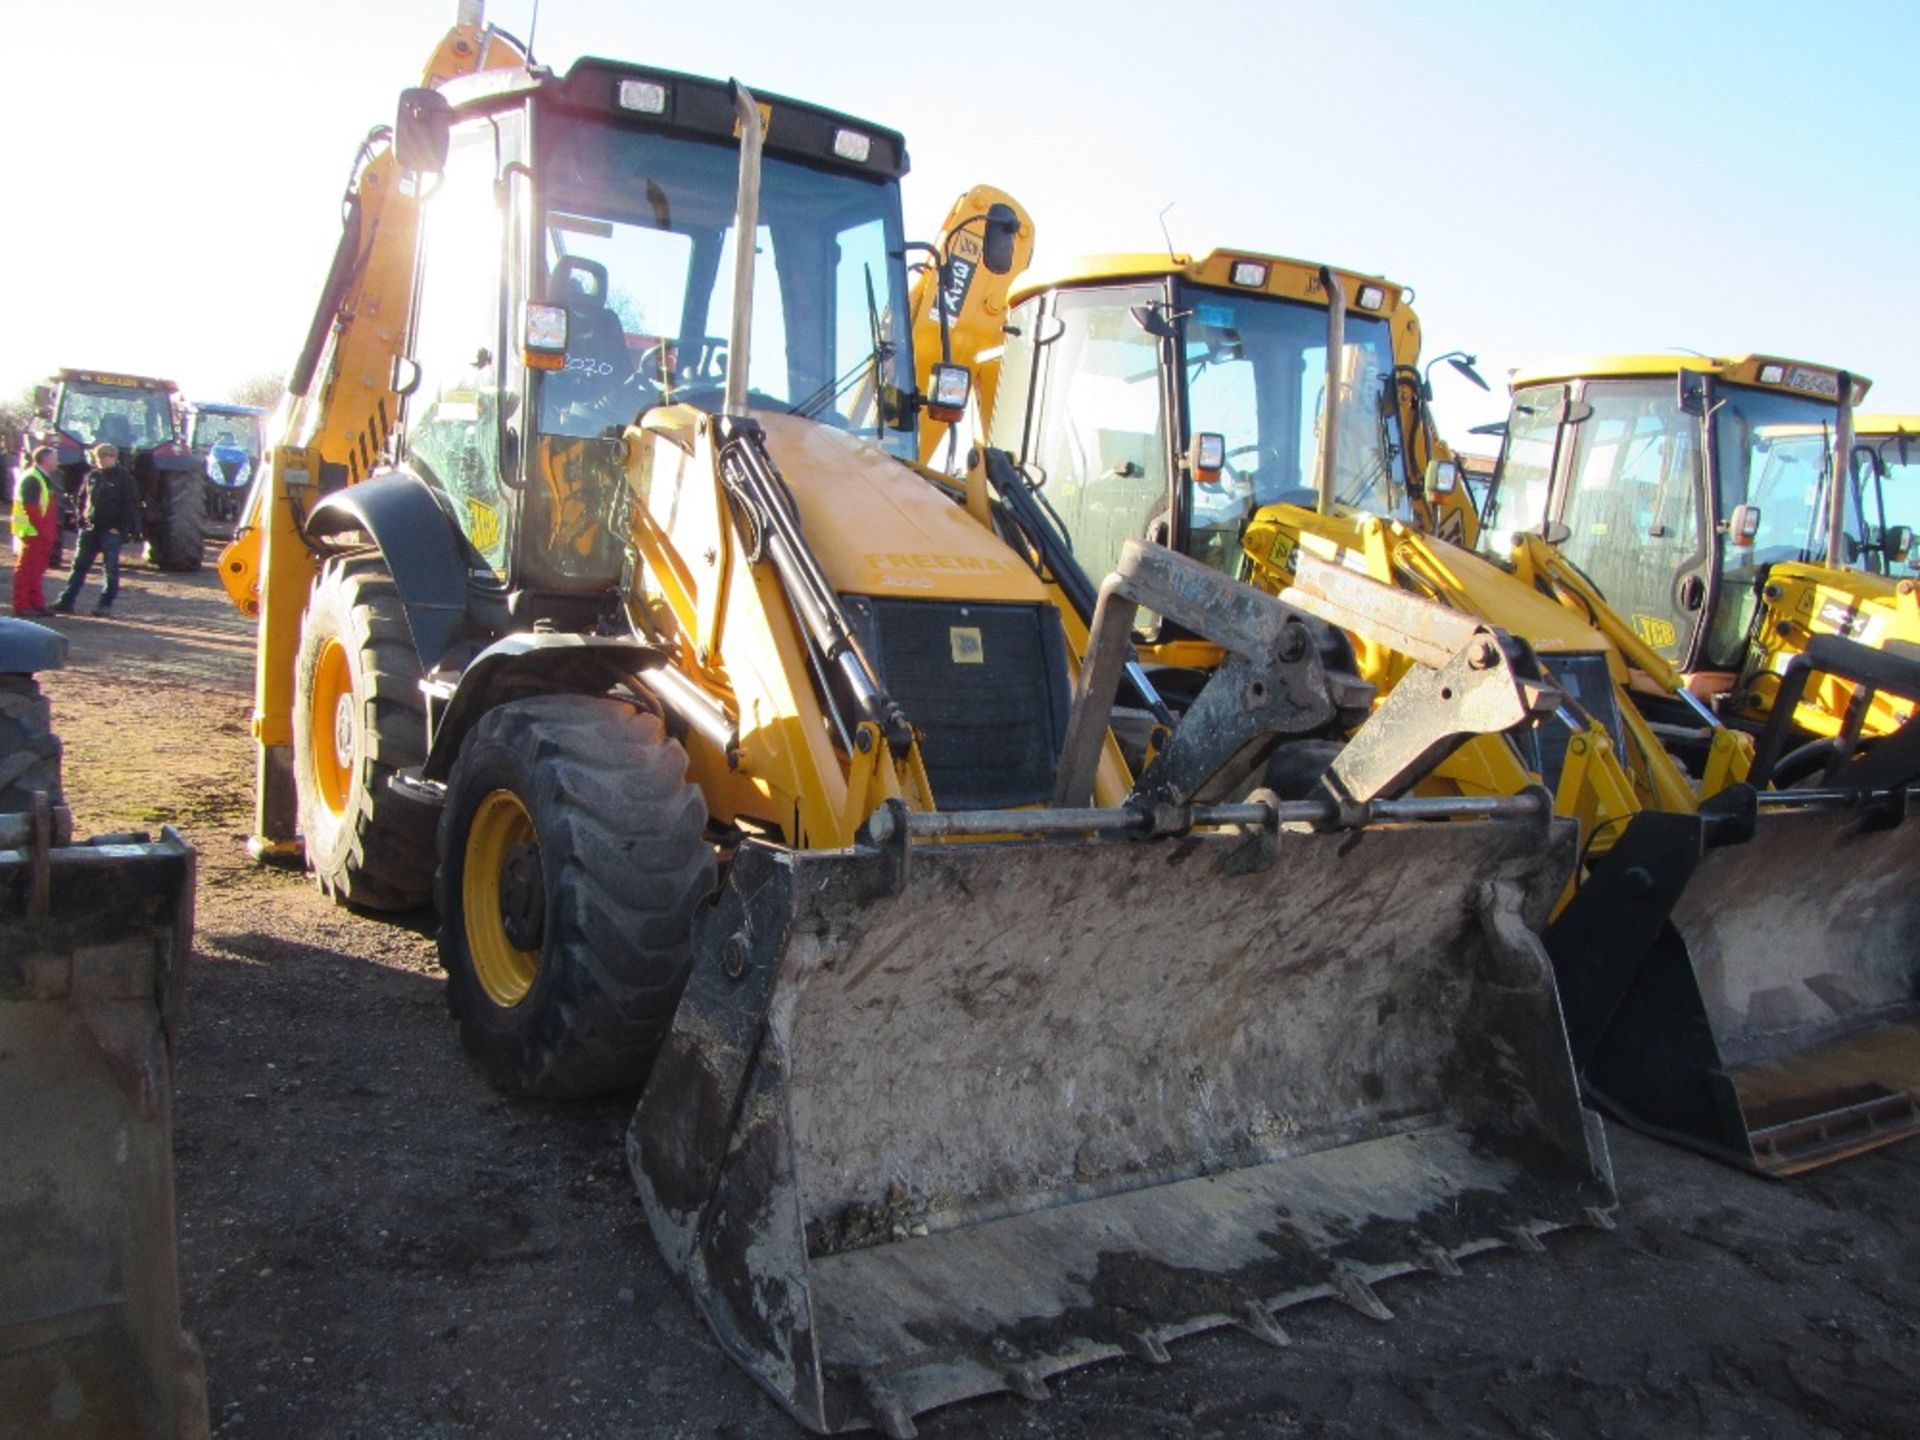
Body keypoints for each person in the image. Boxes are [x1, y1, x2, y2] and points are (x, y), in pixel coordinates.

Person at [51, 443, 141, 617]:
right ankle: (66, 601)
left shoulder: (125, 479)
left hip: (111, 532)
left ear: (113, 457)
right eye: (96, 458)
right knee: (79, 566)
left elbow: (130, 505)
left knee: (110, 569)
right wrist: (81, 521)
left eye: (102, 458)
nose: (98, 461)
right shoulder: (92, 476)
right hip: (90, 529)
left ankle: (105, 604)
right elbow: (82, 499)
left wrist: (120, 528)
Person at [10, 445, 61, 616]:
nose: (57, 462)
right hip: (33, 532)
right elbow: (30, 508)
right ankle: (22, 605)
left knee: (37, 569)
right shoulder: (32, 478)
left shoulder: (40, 477)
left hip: (39, 531)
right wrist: (44, 530)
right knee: (27, 570)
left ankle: (35, 603)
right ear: (45, 460)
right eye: (54, 458)